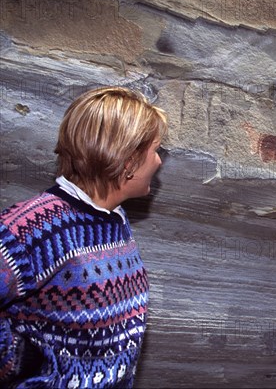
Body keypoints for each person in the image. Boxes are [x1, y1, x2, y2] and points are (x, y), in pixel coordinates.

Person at [0, 86, 167, 387]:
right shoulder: (33, 226)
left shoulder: (112, 217)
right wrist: (17, 360)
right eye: (156, 150)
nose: (158, 161)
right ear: (128, 162)